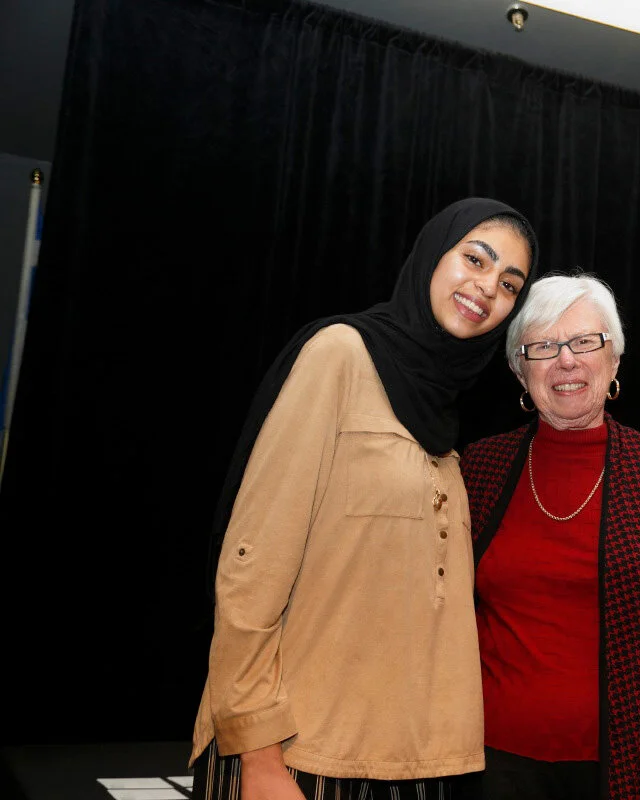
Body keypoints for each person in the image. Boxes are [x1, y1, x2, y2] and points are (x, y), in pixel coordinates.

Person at [188, 198, 538, 800]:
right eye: (475, 259)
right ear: (433, 254)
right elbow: (252, 562)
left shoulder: (446, 419)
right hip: (299, 755)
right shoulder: (341, 354)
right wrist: (257, 753)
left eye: (509, 284)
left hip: (408, 764)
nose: (487, 287)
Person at [460, 273, 640, 800]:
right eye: (544, 346)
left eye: (584, 342)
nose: (566, 361)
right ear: (518, 368)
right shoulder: (478, 469)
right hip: (493, 772)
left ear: (613, 359)